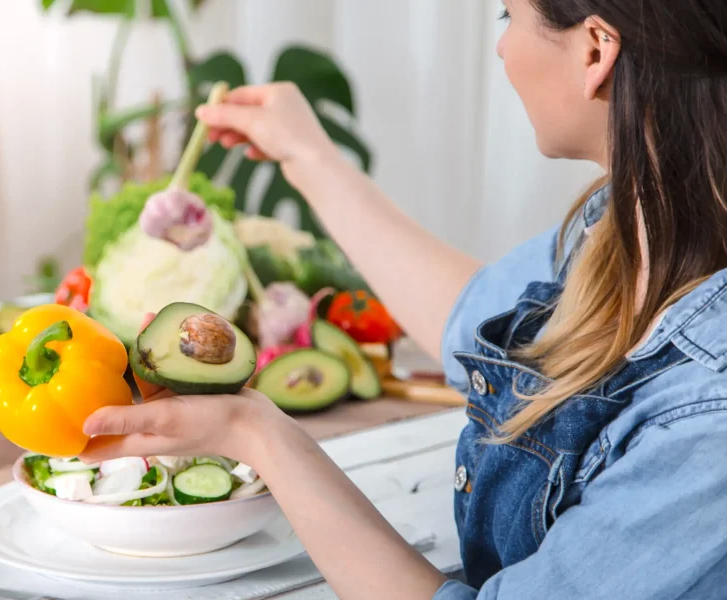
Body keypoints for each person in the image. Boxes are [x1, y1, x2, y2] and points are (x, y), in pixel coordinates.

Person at [80, 0, 727, 597]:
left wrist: (260, 435)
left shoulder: (709, 419)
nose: (502, 48)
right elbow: (473, 315)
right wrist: (306, 157)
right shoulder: (626, 231)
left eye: (509, 14)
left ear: (594, 50)